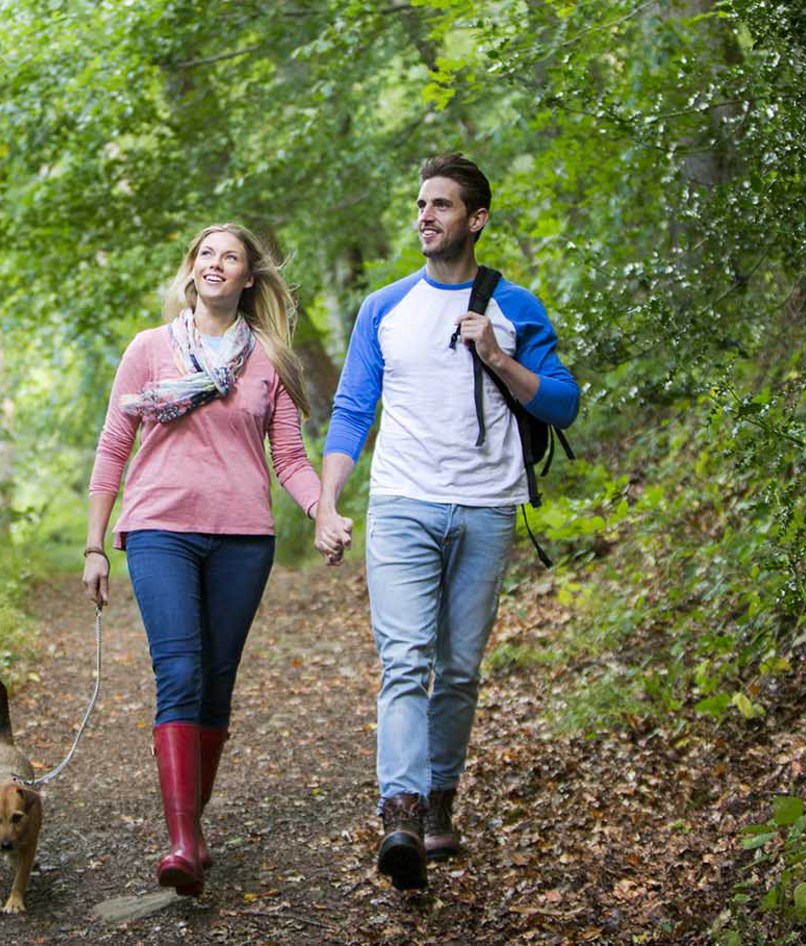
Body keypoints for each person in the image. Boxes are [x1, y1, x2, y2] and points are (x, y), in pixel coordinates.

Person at [313, 153, 580, 891]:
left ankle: (438, 806)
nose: (425, 215)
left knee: (458, 671)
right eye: (421, 204)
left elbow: (561, 404)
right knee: (405, 662)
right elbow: (352, 409)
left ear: (477, 219)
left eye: (441, 205)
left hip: (489, 511)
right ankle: (398, 814)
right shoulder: (384, 308)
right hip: (401, 505)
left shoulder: (518, 307)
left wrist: (496, 353)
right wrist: (330, 501)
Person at [83, 223, 339, 897]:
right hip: (159, 529)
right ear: (192, 269)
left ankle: (190, 827)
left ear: (249, 277)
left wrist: (324, 512)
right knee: (182, 672)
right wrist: (94, 545)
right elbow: (113, 447)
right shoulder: (150, 350)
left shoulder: (270, 362)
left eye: (232, 256)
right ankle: (182, 842)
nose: (217, 263)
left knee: (216, 684)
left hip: (242, 538)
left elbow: (288, 459)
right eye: (207, 253)